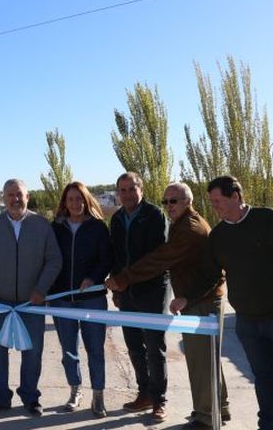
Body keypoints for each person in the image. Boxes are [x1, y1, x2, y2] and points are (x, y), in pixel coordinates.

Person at [171, 176, 273, 430]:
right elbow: (209, 276)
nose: (214, 207)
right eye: (212, 202)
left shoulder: (269, 219)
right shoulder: (218, 236)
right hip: (248, 322)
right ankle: (268, 426)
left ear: (235, 196)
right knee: (262, 378)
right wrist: (186, 298)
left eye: (218, 201)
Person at [107, 182, 230, 429]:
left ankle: (206, 418)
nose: (168, 206)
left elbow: (160, 259)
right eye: (166, 201)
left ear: (188, 201)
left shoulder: (189, 228)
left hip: (202, 301)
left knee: (200, 361)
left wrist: (122, 279)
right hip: (197, 298)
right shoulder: (181, 223)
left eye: (173, 201)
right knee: (208, 359)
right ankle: (220, 408)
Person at [0, 179, 62, 417]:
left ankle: (30, 397)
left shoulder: (41, 225)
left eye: (19, 195)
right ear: (4, 198)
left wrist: (41, 290)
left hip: (31, 303)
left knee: (32, 353)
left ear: (28, 197)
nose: (15, 199)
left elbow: (54, 260)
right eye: (10, 195)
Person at [48, 181, 113, 417]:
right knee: (68, 350)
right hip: (62, 300)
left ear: (86, 200)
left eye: (79, 199)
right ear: (64, 203)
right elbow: (48, 260)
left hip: (92, 299)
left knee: (95, 348)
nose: (75, 203)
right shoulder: (55, 228)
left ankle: (98, 395)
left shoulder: (98, 227)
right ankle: (75, 390)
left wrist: (92, 278)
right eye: (70, 199)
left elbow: (106, 260)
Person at [109, 172, 168, 421]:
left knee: (155, 348)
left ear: (140, 189)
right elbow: (115, 256)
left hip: (152, 291)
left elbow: (157, 258)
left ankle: (159, 400)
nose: (127, 194)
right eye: (122, 190)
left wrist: (125, 279)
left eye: (131, 189)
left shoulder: (154, 215)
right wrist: (116, 287)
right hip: (127, 294)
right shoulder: (117, 219)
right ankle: (144, 394)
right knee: (134, 347)